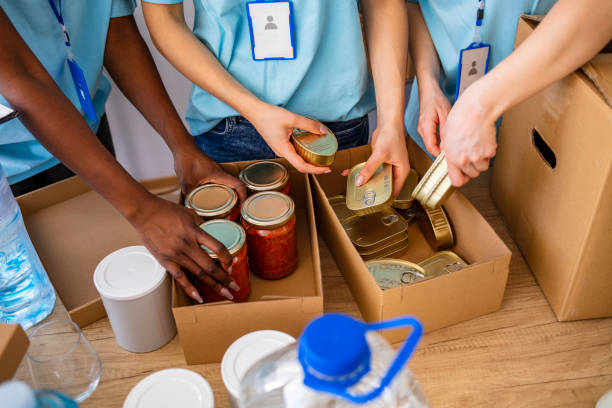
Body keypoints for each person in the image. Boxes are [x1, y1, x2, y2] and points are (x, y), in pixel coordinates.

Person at [0, 1, 246, 303]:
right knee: (33, 302)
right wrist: (143, 211)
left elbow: (116, 33)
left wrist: (182, 146)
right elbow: (21, 79)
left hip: (83, 134)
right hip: (8, 166)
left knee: (105, 286)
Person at [141, 0, 411, 194]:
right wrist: (253, 108)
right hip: (231, 125)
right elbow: (164, 17)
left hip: (336, 130)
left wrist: (391, 123)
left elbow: (383, 3)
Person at [406, 0, 612, 186]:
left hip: (540, 146)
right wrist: (428, 84)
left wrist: (480, 106)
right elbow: (414, 4)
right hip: (431, 133)